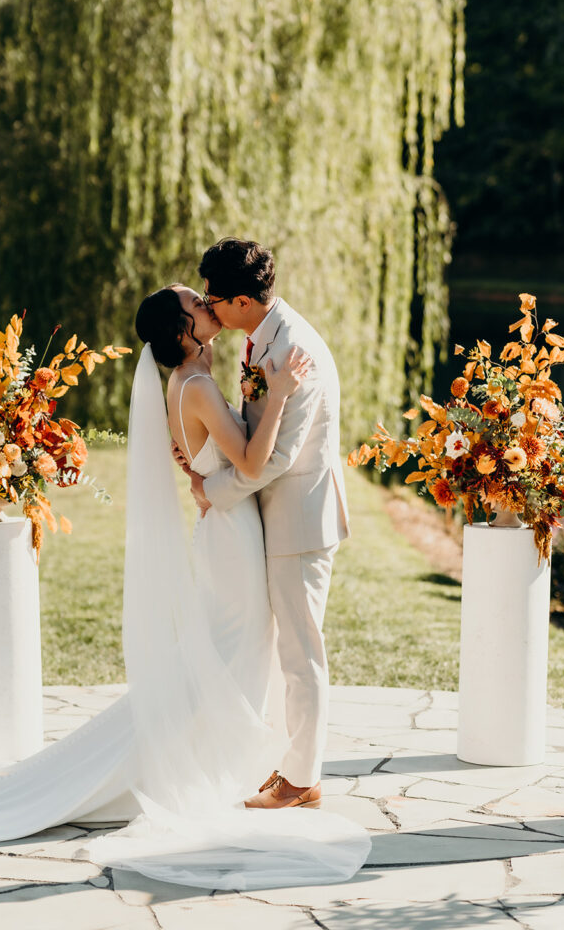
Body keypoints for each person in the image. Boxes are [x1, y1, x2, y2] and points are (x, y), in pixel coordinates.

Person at [0, 279, 370, 889]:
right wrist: (278, 393)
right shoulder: (196, 386)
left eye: (206, 299)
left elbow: (220, 457)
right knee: (230, 652)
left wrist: (223, 452)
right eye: (195, 305)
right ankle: (191, 765)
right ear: (182, 331)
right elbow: (254, 465)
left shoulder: (188, 380)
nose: (206, 306)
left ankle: (229, 762)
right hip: (232, 536)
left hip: (229, 528)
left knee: (225, 654)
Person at [189, 237, 350, 810]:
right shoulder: (264, 335)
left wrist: (215, 491)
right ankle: (289, 763)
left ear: (238, 301)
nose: (207, 306)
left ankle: (303, 779)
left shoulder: (292, 348)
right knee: (287, 650)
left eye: (212, 297)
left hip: (300, 519)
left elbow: (277, 456)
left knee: (302, 654)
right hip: (278, 515)